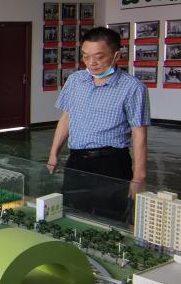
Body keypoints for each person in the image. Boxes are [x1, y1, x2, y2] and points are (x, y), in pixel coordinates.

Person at [47, 26, 150, 221]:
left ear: (116, 55)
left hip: (112, 163)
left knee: (110, 220)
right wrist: (54, 153)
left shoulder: (132, 87)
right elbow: (66, 118)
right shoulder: (75, 80)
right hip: (77, 160)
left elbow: (139, 133)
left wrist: (139, 176)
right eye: (85, 56)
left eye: (99, 57)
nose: (91, 63)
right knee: (71, 215)